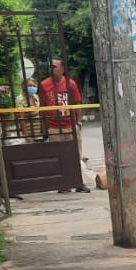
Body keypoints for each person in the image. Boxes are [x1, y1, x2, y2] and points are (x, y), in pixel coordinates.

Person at [39, 57, 90, 193]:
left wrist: (78, 122)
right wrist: (45, 128)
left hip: (70, 125)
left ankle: (78, 182)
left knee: (75, 155)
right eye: (50, 66)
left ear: (62, 69)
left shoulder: (70, 84)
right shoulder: (44, 85)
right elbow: (42, 107)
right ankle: (63, 185)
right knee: (59, 156)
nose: (52, 69)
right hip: (54, 127)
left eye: (55, 66)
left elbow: (77, 104)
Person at [14, 77, 44, 143]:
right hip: (28, 132)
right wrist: (26, 136)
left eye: (34, 86)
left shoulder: (36, 97)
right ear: (24, 86)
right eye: (30, 85)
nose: (32, 87)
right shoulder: (20, 99)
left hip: (38, 131)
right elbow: (21, 119)